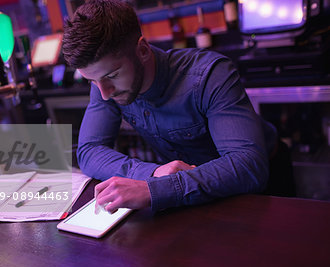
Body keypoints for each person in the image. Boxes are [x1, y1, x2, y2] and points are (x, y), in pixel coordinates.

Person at [62, 0, 287, 214]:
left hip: (260, 184)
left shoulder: (209, 75)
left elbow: (248, 166)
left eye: (113, 75)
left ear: (142, 50)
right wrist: (152, 173)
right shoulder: (104, 84)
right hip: (192, 196)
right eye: (92, 81)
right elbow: (89, 151)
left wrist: (155, 188)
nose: (104, 93)